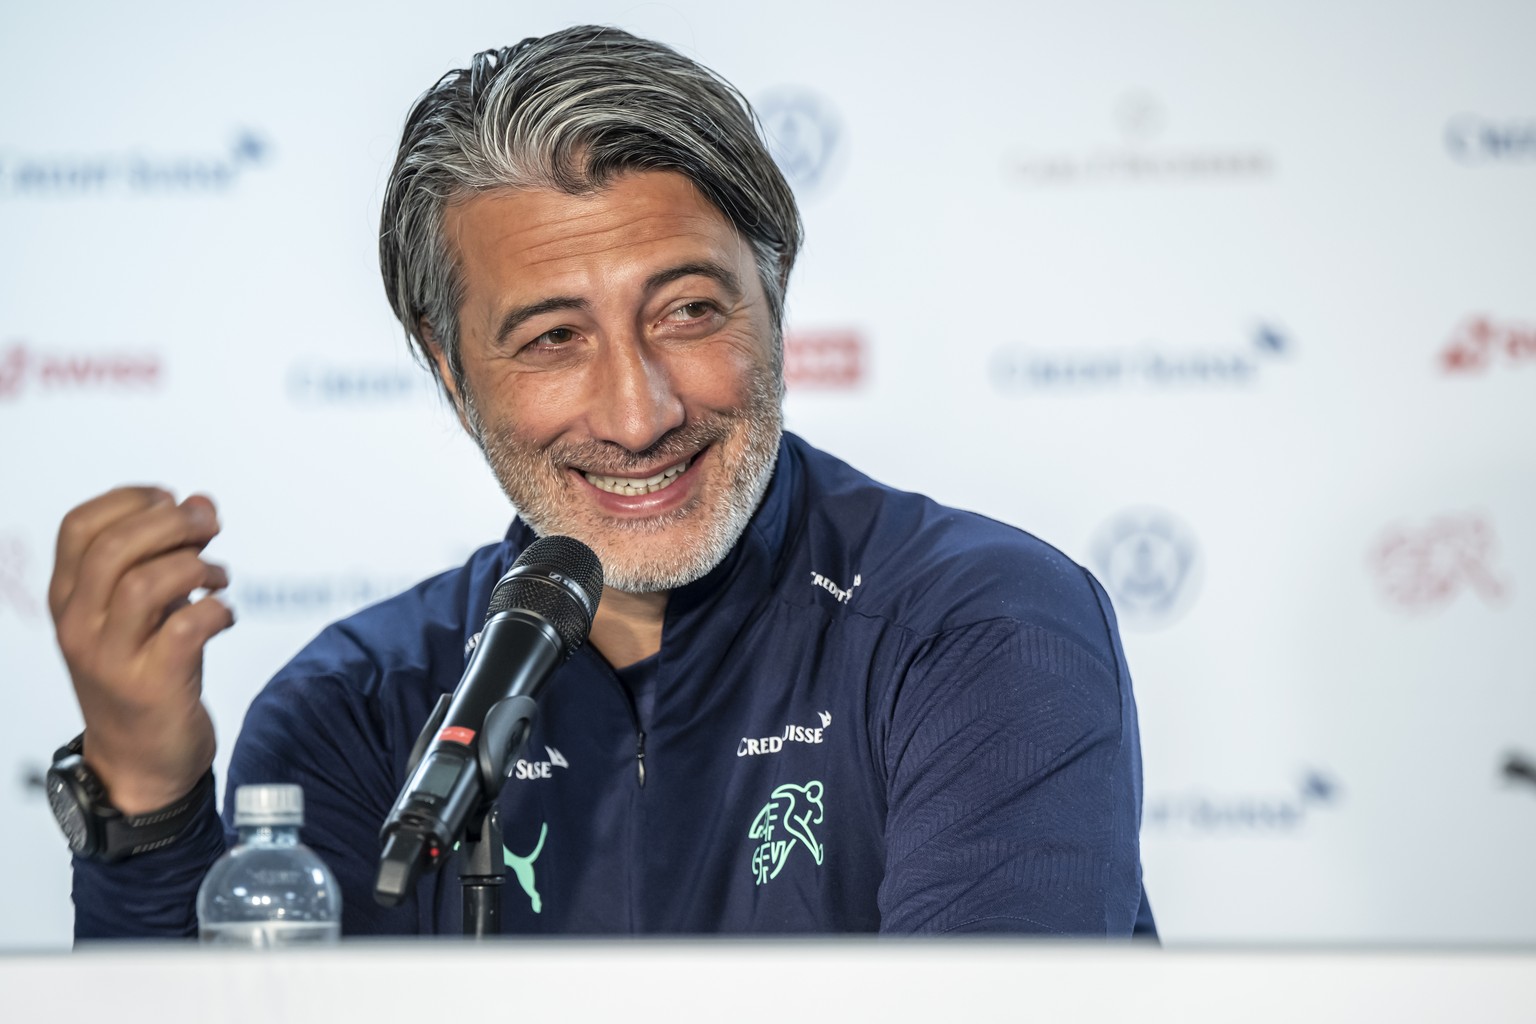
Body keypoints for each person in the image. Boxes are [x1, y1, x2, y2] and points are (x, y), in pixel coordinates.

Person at [47, 25, 1154, 937]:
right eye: (551, 337)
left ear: (774, 300)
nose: (640, 414)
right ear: (449, 367)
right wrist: (145, 799)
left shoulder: (973, 628)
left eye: (688, 312)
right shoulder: (359, 708)